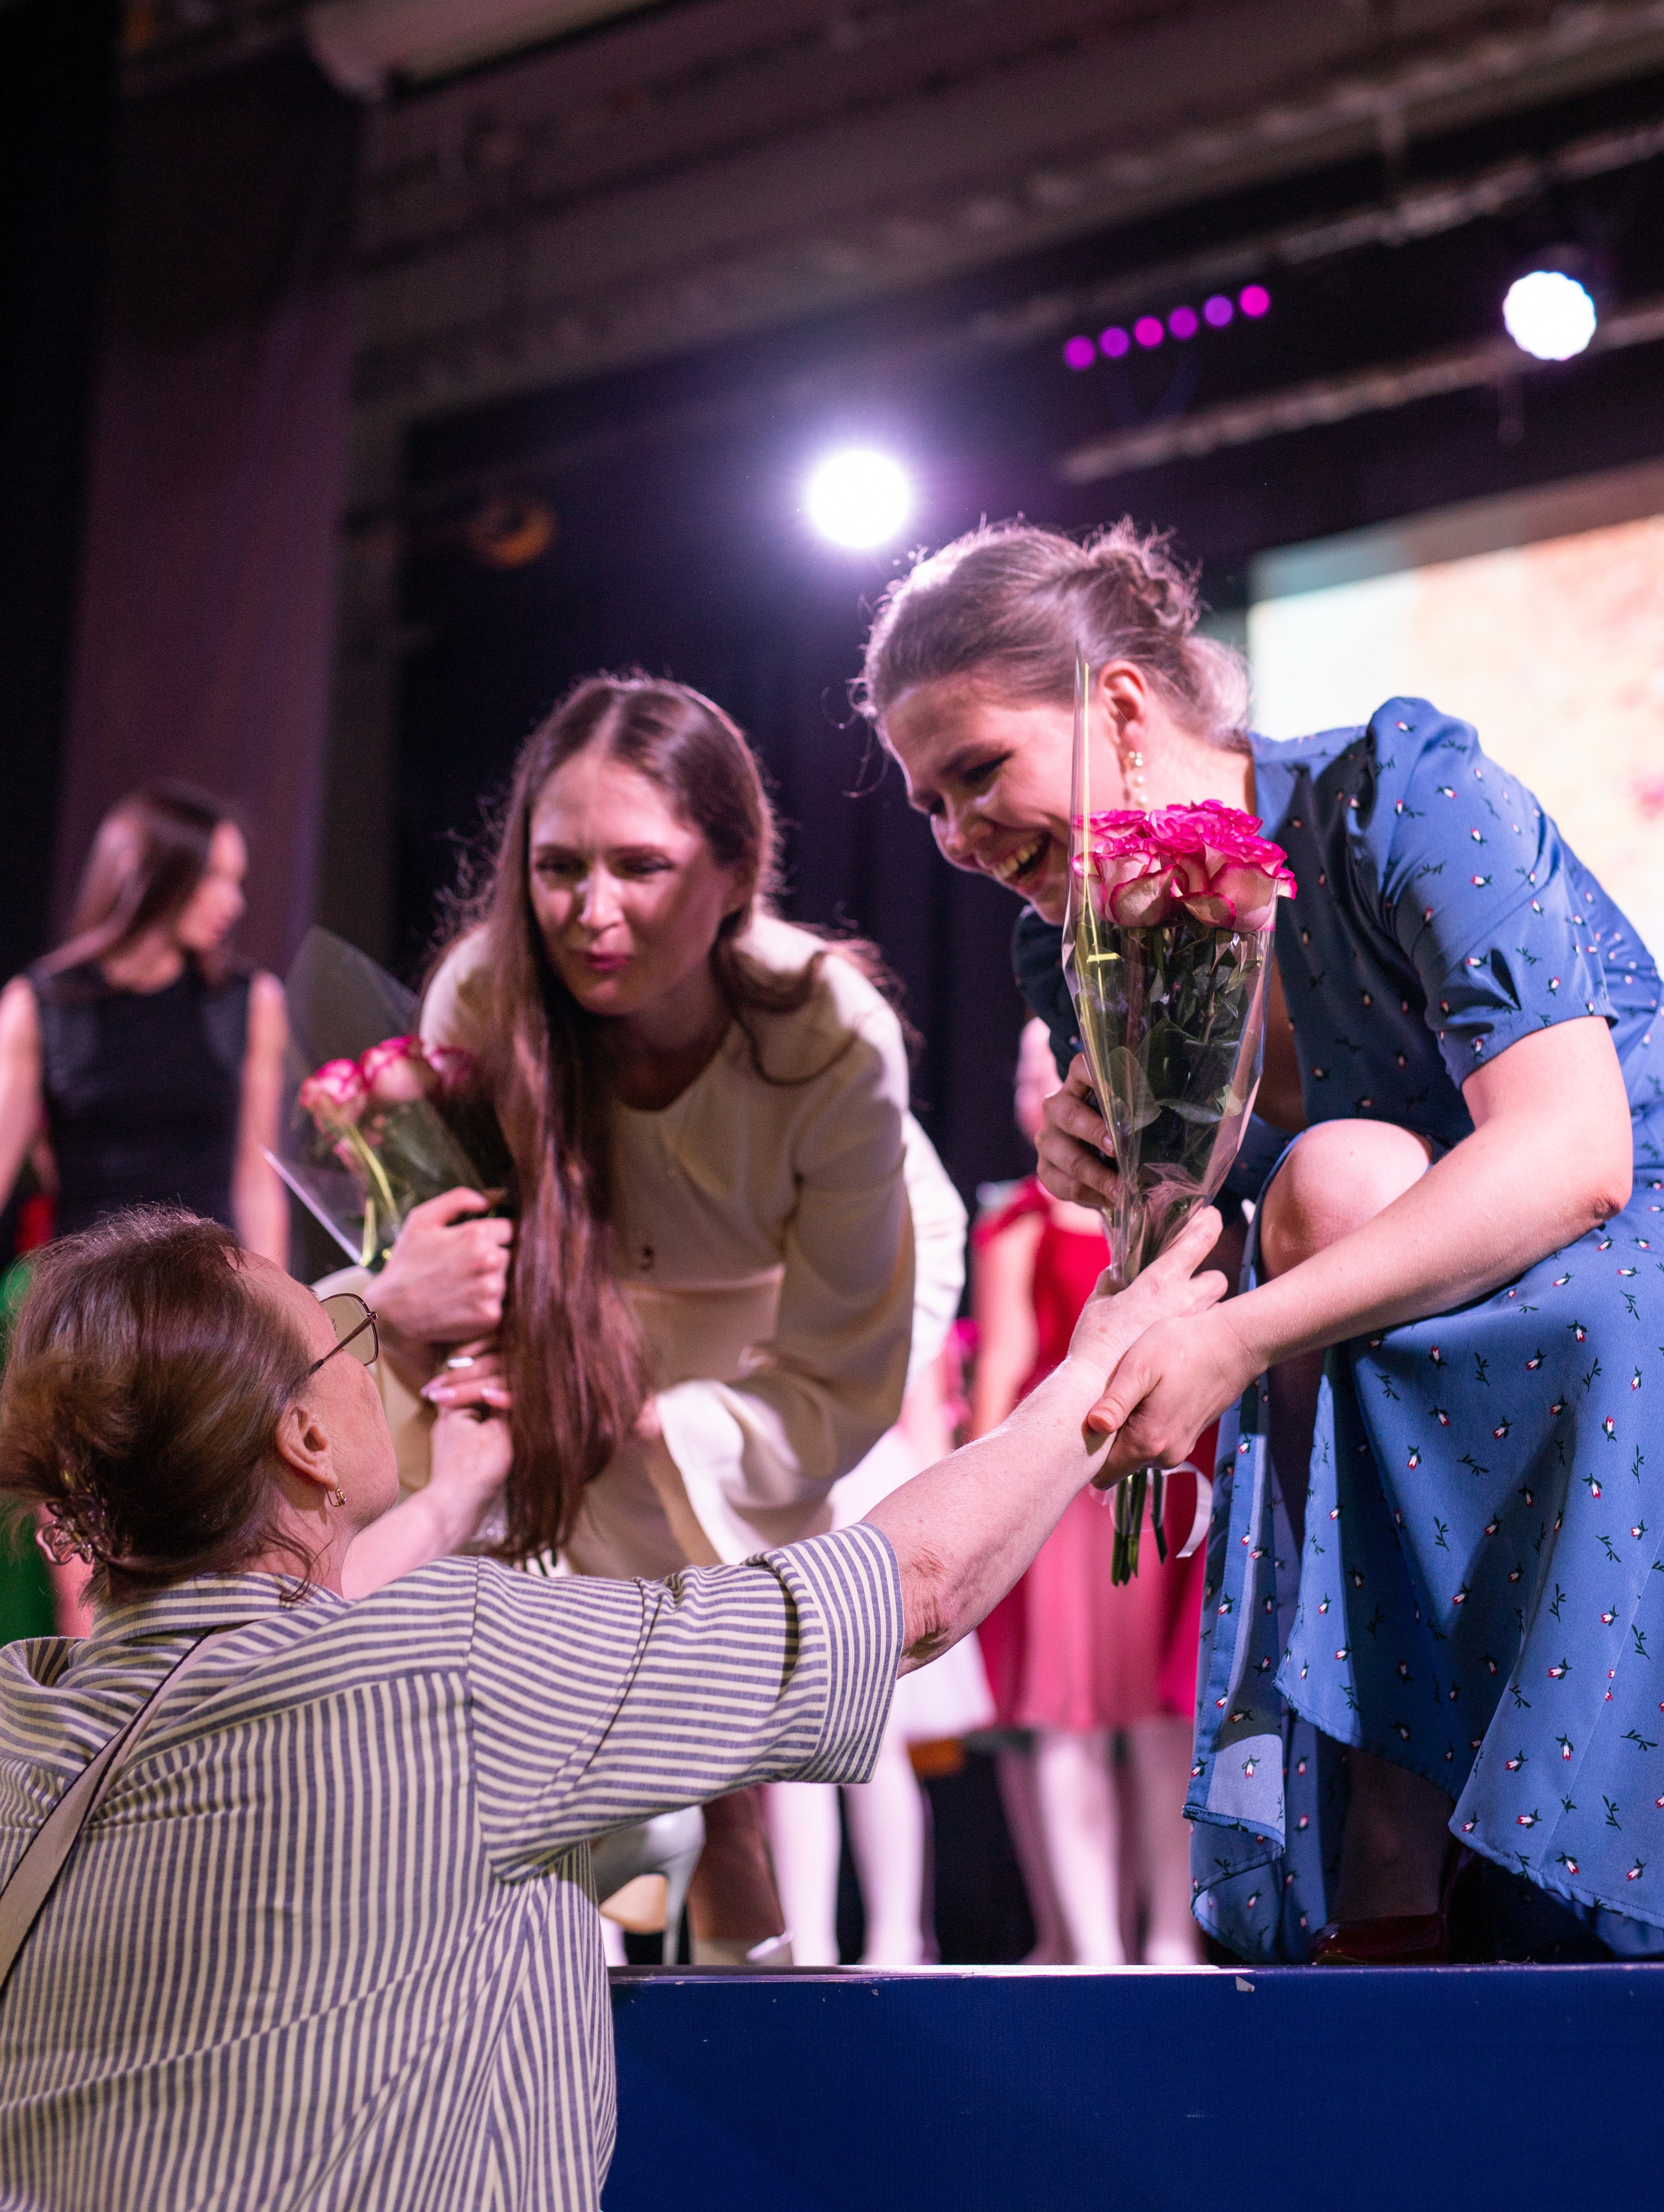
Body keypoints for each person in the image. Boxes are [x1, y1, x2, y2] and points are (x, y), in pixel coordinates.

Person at [0, 1202, 1226, 2210]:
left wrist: (461, 1484)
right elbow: (903, 1590)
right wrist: (1092, 1376)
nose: (368, 1355)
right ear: (307, 1438)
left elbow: (259, 1639)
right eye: (339, 1337)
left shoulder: (17, 1716)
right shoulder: (456, 1671)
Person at [860, 517, 1663, 1965]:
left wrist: (1229, 1331)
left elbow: (1572, 1156)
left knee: (1344, 1181)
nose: (958, 839)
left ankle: (1396, 1839)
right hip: (1355, 1345)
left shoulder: (1394, 795)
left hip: (1613, 1261)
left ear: (1116, 702)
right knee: (1334, 1190)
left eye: (975, 772)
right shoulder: (1072, 944)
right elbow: (1210, 1247)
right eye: (926, 805)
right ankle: (1384, 1844)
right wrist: (1114, 1188)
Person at [343, 675, 962, 1962]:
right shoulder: (482, 1003)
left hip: (802, 1326)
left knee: (727, 1734)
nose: (590, 910)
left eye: (639, 865)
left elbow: (837, 1367)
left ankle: (746, 1953)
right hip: (592, 1320)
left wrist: (642, 1414)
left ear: (735, 871)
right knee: (532, 1660)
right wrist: (429, 1290)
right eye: (556, 867)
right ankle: (551, 1970)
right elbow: (469, 1269)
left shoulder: (828, 1034)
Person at [0, 784, 288, 1636]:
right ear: (154, 878)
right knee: (77, 1554)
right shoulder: (43, 1004)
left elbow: (255, 1174)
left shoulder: (247, 1001)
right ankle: (96, 1741)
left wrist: (275, 1310)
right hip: (76, 1308)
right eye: (216, 879)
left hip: (199, 1311)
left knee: (208, 1547)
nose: (233, 903)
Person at [969, 1018, 1202, 1966]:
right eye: (1025, 1077)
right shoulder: (1015, 1225)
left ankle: (1172, 1938)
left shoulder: (1169, 1217)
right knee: (1064, 1722)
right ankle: (1096, 1948)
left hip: (1162, 1491)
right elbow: (1003, 1376)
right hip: (1066, 1503)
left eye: (1051, 1074)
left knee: (1162, 1723)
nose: (1040, 1094)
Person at [765, 1343, 995, 1968]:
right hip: (786, 1486)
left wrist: (948, 1542)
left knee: (875, 1739)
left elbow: (922, 1420)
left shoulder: (905, 1276)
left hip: (876, 1497)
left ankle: (895, 1937)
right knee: (793, 1742)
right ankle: (809, 1940)